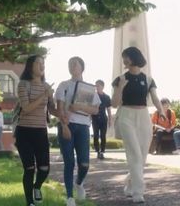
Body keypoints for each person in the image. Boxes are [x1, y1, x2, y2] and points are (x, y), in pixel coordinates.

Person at [111, 46, 165, 204]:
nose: (124, 60)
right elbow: (114, 104)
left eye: (126, 57)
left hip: (143, 116)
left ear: (134, 57)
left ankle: (130, 182)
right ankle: (138, 192)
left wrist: (161, 111)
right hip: (126, 115)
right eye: (123, 57)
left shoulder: (148, 79)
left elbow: (154, 98)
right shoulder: (120, 79)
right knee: (134, 153)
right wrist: (120, 87)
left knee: (141, 157)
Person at [55, 56, 101, 206]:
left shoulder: (89, 88)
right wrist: (64, 126)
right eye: (70, 64)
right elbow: (60, 108)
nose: (73, 66)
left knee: (84, 164)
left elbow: (95, 110)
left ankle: (79, 183)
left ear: (82, 67)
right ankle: (69, 197)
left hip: (83, 127)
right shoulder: (64, 85)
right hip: (67, 125)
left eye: (76, 64)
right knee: (69, 162)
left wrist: (79, 107)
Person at [15, 55, 55, 206]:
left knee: (44, 169)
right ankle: (29, 202)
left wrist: (63, 113)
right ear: (30, 66)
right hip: (24, 131)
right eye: (39, 63)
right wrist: (44, 95)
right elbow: (26, 108)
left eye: (43, 63)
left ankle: (37, 186)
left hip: (40, 132)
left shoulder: (46, 86)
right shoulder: (23, 85)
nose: (42, 65)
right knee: (29, 168)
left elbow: (51, 108)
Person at [92, 79, 112, 159]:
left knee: (103, 135)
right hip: (95, 118)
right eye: (96, 86)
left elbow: (108, 109)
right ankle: (97, 150)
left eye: (98, 86)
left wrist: (110, 120)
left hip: (103, 118)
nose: (96, 87)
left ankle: (102, 151)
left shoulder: (106, 97)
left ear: (102, 87)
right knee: (96, 135)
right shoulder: (93, 96)